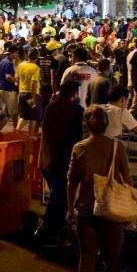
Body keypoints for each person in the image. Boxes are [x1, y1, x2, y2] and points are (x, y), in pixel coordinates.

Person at [66, 105, 131, 272]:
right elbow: (127, 181)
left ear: (87, 124)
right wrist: (129, 211)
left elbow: (71, 180)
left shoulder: (79, 148)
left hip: (85, 209)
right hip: (110, 211)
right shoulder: (116, 147)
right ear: (106, 124)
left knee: (87, 260)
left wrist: (69, 209)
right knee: (113, 261)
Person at [38, 81, 84, 247]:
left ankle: (53, 233)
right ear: (74, 94)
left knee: (58, 199)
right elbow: (79, 139)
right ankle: (48, 235)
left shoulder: (51, 106)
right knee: (60, 201)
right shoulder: (76, 111)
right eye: (77, 93)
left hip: (46, 162)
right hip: (61, 164)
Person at [17, 48, 43, 132]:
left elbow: (18, 80)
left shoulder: (21, 65)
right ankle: (31, 137)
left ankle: (16, 132)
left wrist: (20, 91)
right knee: (33, 117)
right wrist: (34, 99)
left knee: (24, 116)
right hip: (31, 95)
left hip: (22, 94)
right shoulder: (35, 68)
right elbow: (33, 83)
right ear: (37, 56)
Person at [0, 46, 20, 123]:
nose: (17, 54)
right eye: (16, 53)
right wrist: (17, 80)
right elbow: (8, 77)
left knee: (0, 113)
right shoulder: (9, 63)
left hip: (0, 88)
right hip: (8, 90)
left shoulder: (3, 61)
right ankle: (15, 130)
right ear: (11, 53)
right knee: (14, 112)